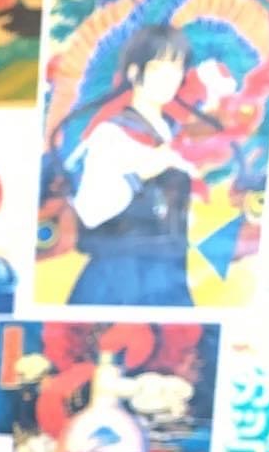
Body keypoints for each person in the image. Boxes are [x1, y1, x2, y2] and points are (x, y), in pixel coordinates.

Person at [61, 25, 196, 309]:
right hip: (120, 279)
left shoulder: (175, 133)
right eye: (158, 68)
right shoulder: (111, 134)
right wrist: (140, 174)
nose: (168, 79)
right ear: (135, 73)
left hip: (168, 276)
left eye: (176, 69)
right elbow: (90, 211)